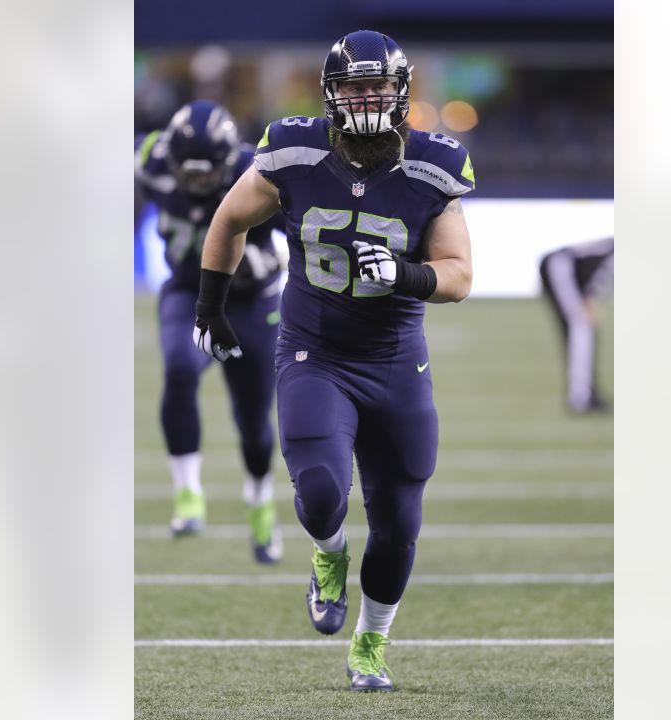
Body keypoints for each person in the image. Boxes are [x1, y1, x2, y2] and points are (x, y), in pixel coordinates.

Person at [191, 30, 474, 692]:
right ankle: (328, 554)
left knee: (399, 520)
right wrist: (211, 308)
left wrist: (405, 275)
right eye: (355, 87)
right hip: (314, 349)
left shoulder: (431, 165)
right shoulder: (293, 152)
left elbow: (459, 275)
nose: (369, 99)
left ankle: (371, 643)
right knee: (320, 495)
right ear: (331, 94)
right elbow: (229, 220)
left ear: (401, 92)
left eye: (380, 86)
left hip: (397, 359)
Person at [135, 100, 286, 564]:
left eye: (207, 173)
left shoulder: (255, 170)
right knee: (180, 368)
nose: (198, 182)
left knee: (253, 421)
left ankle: (259, 500)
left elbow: (302, 228)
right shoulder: (148, 161)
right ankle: (187, 492)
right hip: (187, 289)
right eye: (189, 172)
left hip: (251, 299)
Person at [538, 237, 614, 413]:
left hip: (566, 269)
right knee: (581, 326)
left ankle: (585, 392)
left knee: (582, 327)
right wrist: (590, 299)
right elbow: (601, 272)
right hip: (560, 267)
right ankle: (580, 397)